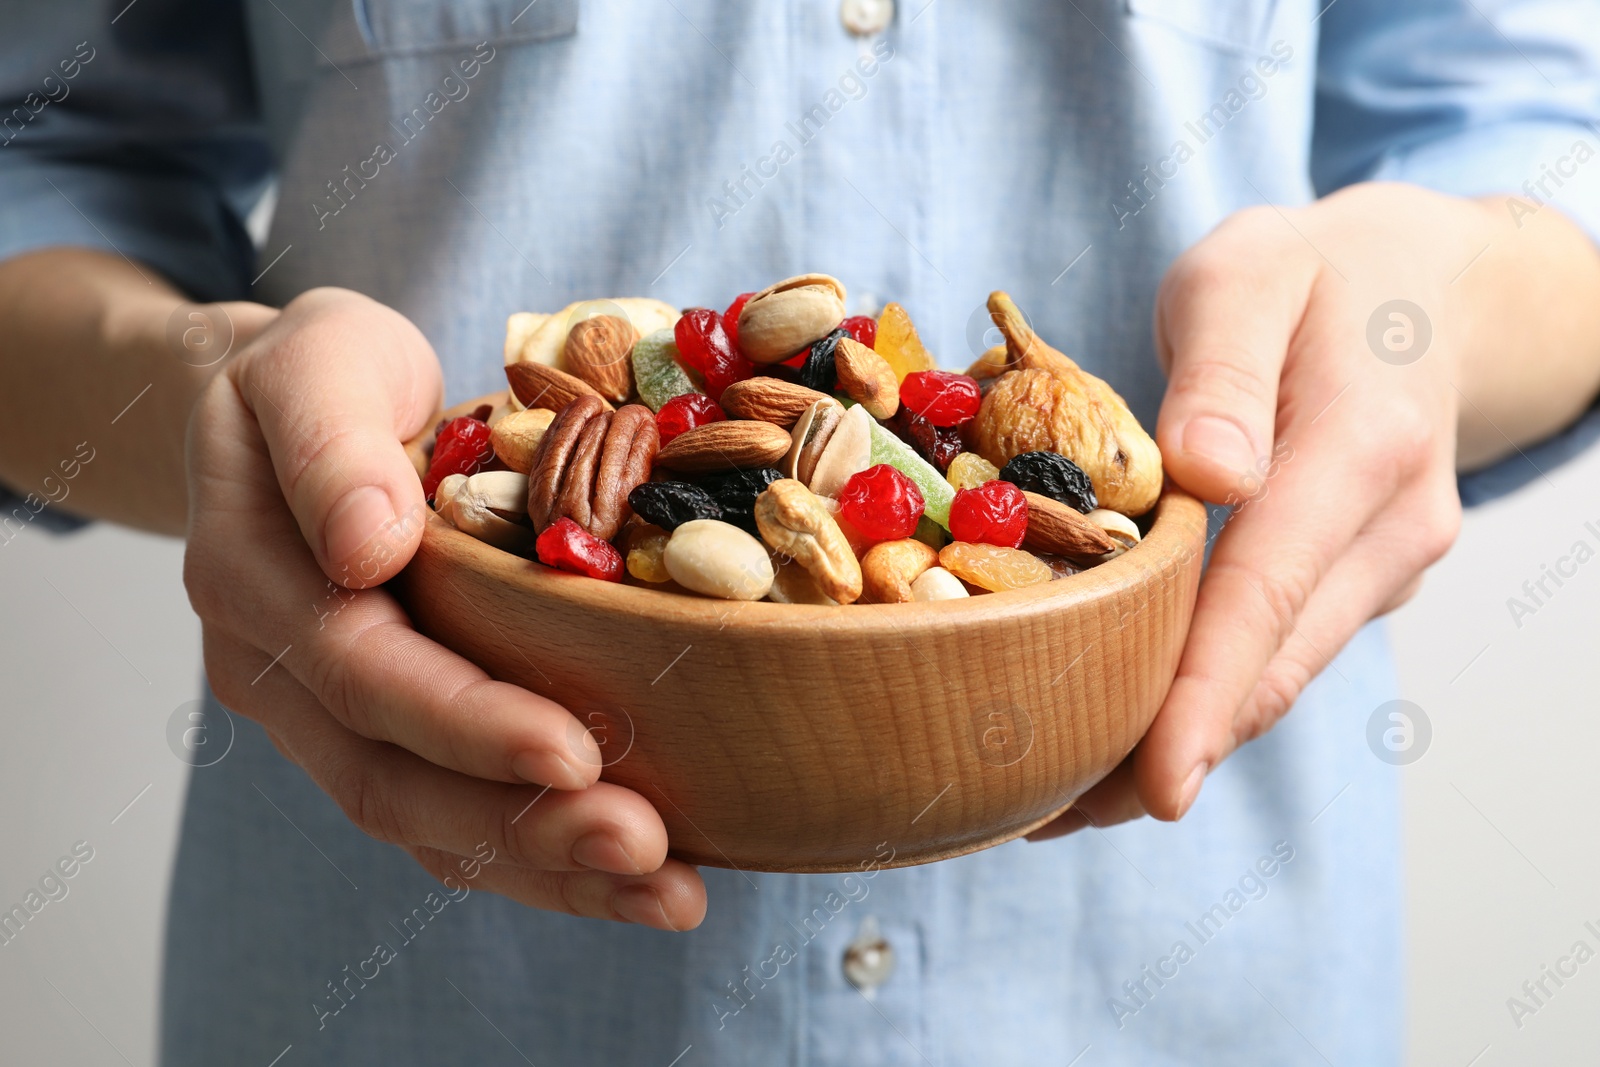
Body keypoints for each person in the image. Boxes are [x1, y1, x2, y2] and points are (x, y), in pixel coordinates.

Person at [3, 1, 1599, 1063]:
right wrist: (206, 388)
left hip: (1193, 975)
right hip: (424, 957)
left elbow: (1525, 147)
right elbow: (48, 148)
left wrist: (1430, 307)